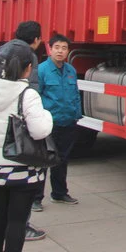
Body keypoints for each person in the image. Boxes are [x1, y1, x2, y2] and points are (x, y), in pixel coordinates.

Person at [0, 43, 52, 252]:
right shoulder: (27, 94)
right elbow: (40, 130)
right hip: (22, 167)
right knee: (17, 221)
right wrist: (48, 115)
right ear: (28, 68)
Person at [0, 21, 47, 241]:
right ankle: (22, 228)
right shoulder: (28, 56)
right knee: (22, 187)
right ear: (36, 40)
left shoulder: (1, 51)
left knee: (0, 197)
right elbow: (30, 91)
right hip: (18, 131)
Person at [33, 34, 81, 211]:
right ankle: (36, 198)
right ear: (50, 49)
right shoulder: (41, 70)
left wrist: (76, 115)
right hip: (48, 124)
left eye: (64, 48)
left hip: (68, 122)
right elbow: (36, 96)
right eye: (57, 48)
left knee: (62, 160)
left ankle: (60, 193)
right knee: (43, 162)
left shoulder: (71, 71)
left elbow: (75, 94)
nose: (60, 51)